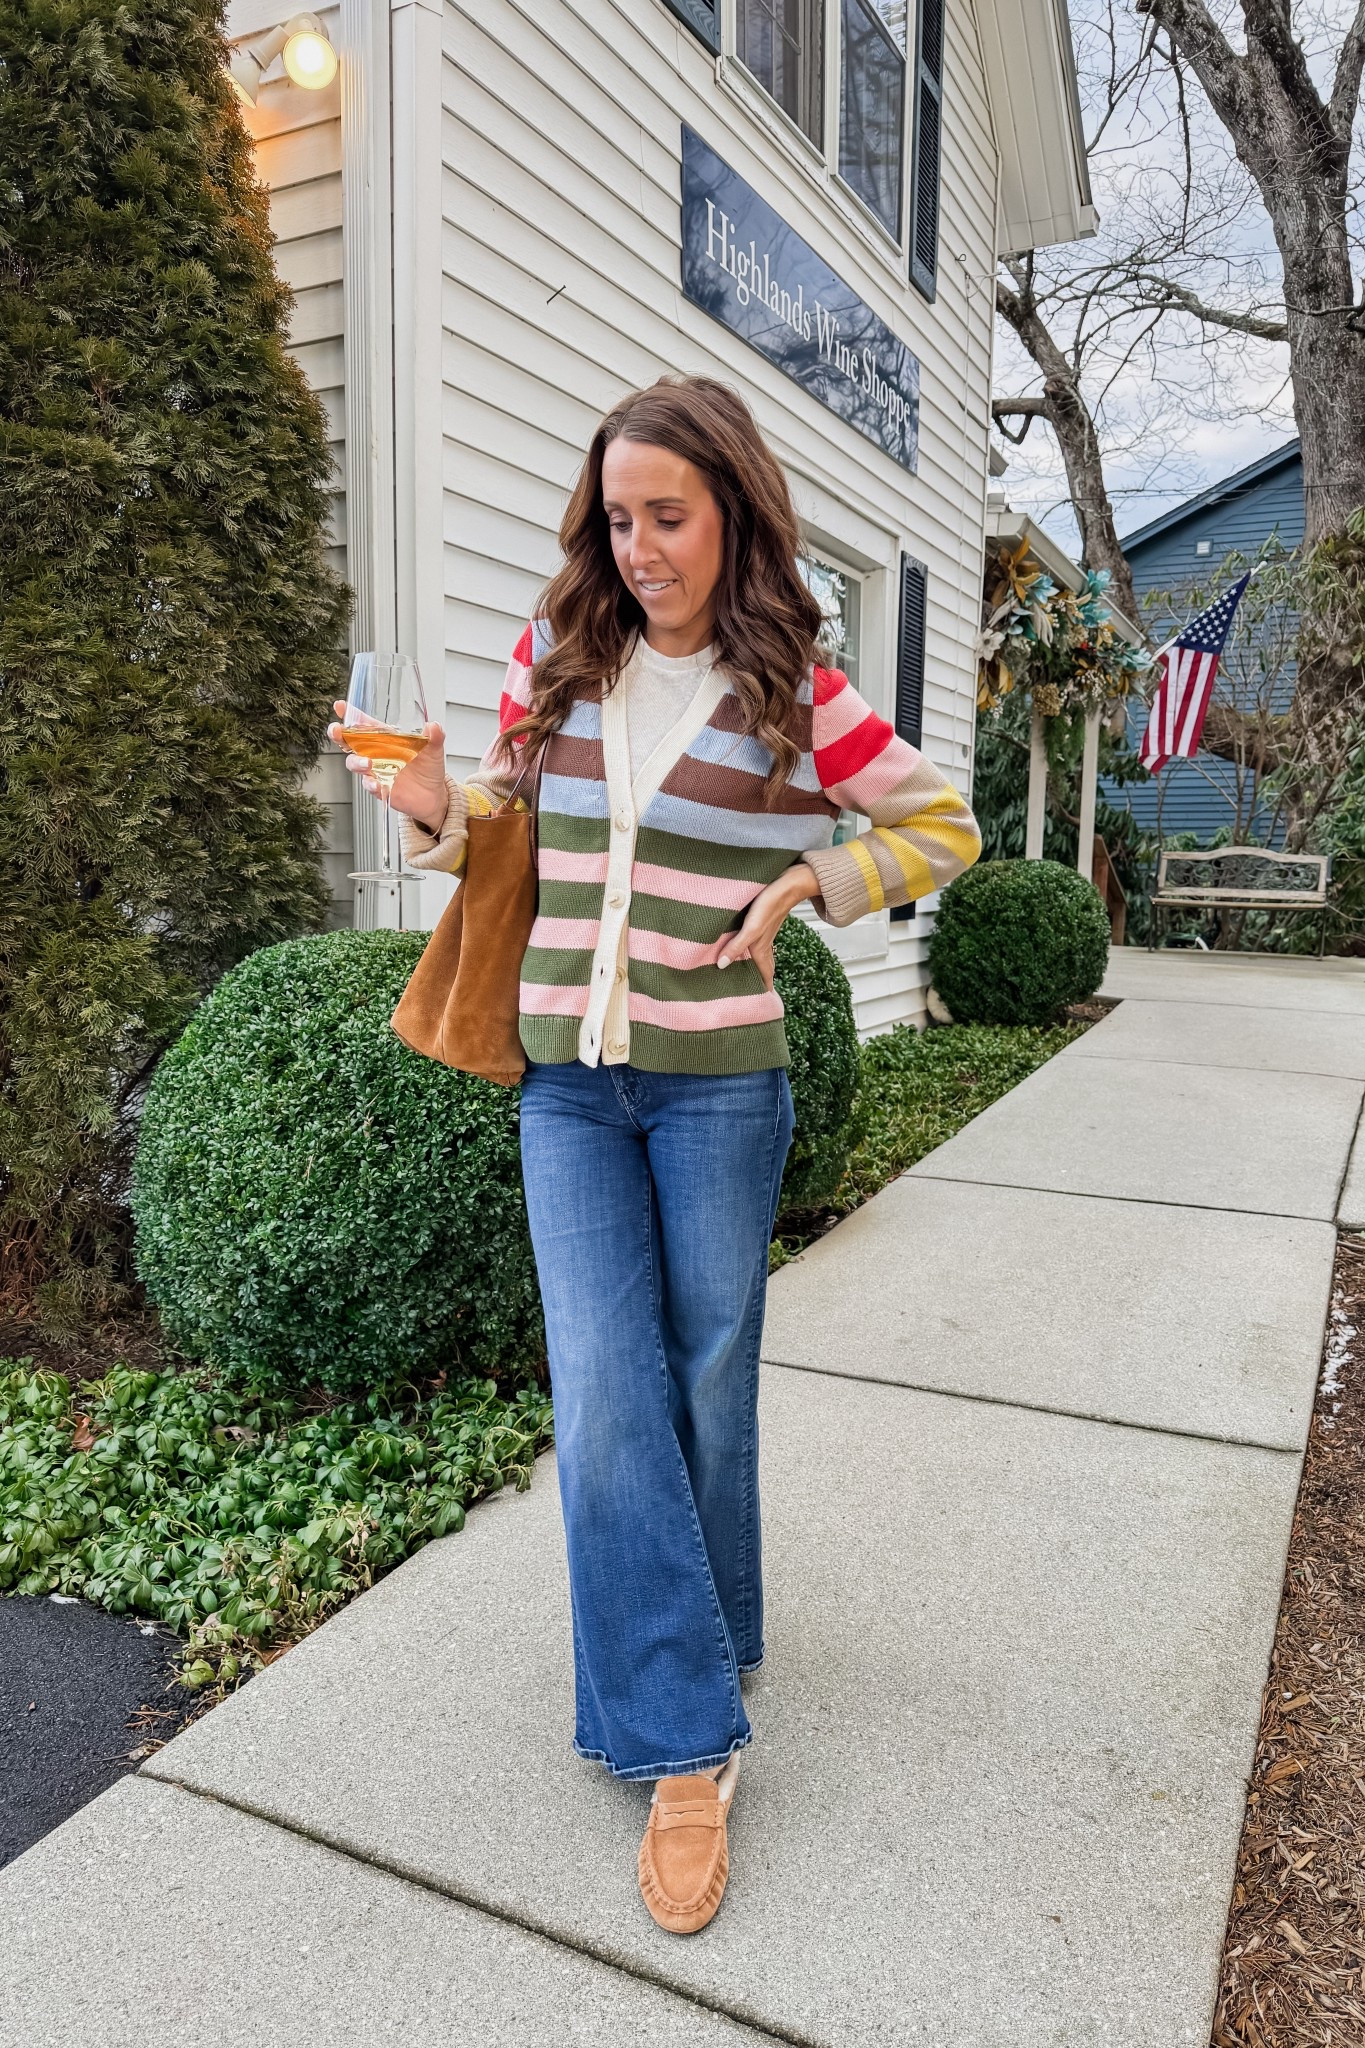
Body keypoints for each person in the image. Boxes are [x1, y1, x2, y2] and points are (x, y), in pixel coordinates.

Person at [331, 376, 980, 1935]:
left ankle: (714, 1627)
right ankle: (687, 1746)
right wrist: (432, 808)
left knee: (705, 1380)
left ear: (733, 515)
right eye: (617, 519)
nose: (638, 549)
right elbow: (501, 831)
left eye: (668, 517)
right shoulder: (552, 669)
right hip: (566, 1086)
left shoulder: (794, 693)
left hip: (719, 1092)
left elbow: (942, 825)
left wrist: (817, 877)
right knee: (609, 1390)